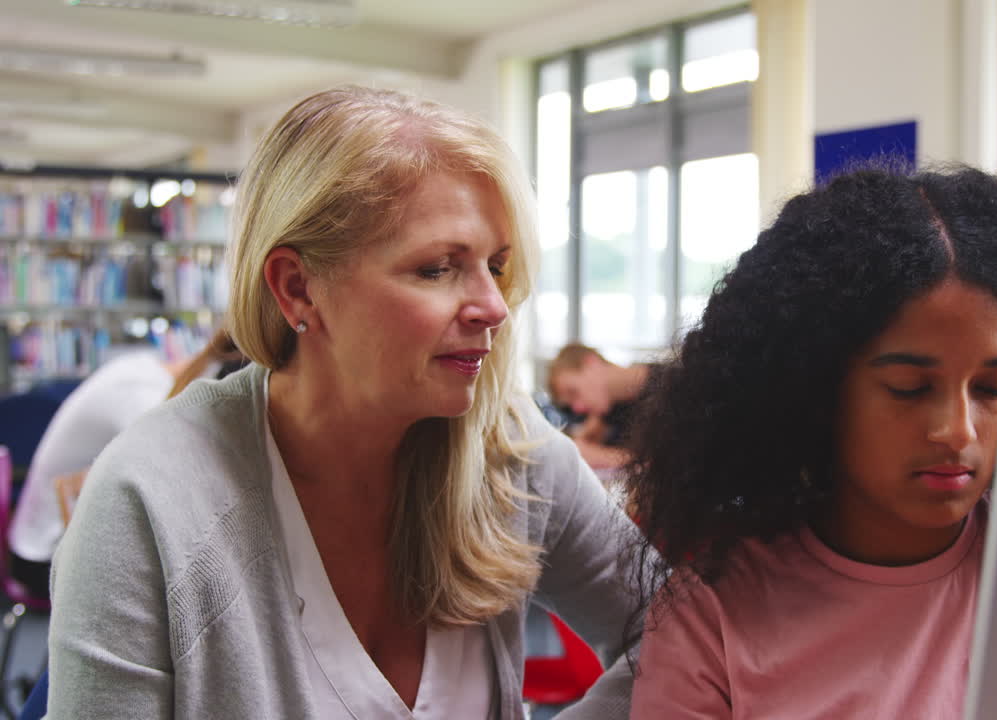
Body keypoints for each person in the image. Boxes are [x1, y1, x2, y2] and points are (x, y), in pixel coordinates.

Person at [47, 86, 644, 719]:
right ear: (298, 288)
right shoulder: (150, 497)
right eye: (438, 268)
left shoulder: (510, 450)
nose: (494, 307)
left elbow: (690, 634)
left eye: (495, 267)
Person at [623, 164, 997, 718]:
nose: (958, 431)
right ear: (817, 389)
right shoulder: (715, 613)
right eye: (910, 388)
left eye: (995, 388)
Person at [7, 329, 242, 597]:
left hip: (77, 539)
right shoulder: (143, 398)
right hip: (45, 552)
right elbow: (180, 494)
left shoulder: (145, 369)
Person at [547, 344, 659, 470]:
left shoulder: (669, 388)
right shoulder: (612, 410)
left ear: (591, 362)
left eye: (574, 392)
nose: (578, 408)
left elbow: (666, 467)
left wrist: (603, 457)